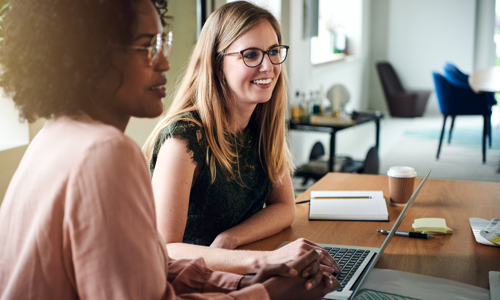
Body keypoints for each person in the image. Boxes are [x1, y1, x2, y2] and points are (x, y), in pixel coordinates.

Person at [0, 0, 339, 299]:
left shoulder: (55, 134)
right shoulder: (105, 152)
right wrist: (264, 293)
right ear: (94, 56)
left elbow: (150, 267)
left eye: (163, 43)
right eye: (148, 46)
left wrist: (236, 283)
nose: (164, 62)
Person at [143, 0, 340, 275]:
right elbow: (165, 248)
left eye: (273, 52)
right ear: (217, 62)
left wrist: (231, 238)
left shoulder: (262, 121)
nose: (268, 66)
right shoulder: (184, 138)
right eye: (250, 55)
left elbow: (284, 207)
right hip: (193, 283)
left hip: (236, 270)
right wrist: (266, 260)